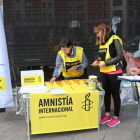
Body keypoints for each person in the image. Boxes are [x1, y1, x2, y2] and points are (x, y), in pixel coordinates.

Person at [91, 22, 124, 127]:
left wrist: (106, 63)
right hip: (104, 71)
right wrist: (97, 61)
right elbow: (102, 57)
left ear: (103, 30)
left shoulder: (115, 39)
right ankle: (107, 114)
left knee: (115, 94)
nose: (96, 35)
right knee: (106, 93)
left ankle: (116, 117)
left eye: (98, 32)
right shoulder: (102, 42)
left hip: (114, 71)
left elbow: (120, 56)